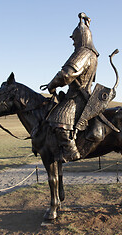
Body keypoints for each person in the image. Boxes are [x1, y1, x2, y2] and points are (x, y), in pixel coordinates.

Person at [44, 13, 99, 162]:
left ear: (81, 38)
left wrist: (52, 84)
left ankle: (71, 151)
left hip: (78, 96)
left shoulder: (83, 53)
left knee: (60, 117)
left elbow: (66, 74)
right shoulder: (92, 54)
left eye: (74, 39)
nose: (73, 43)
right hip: (80, 93)